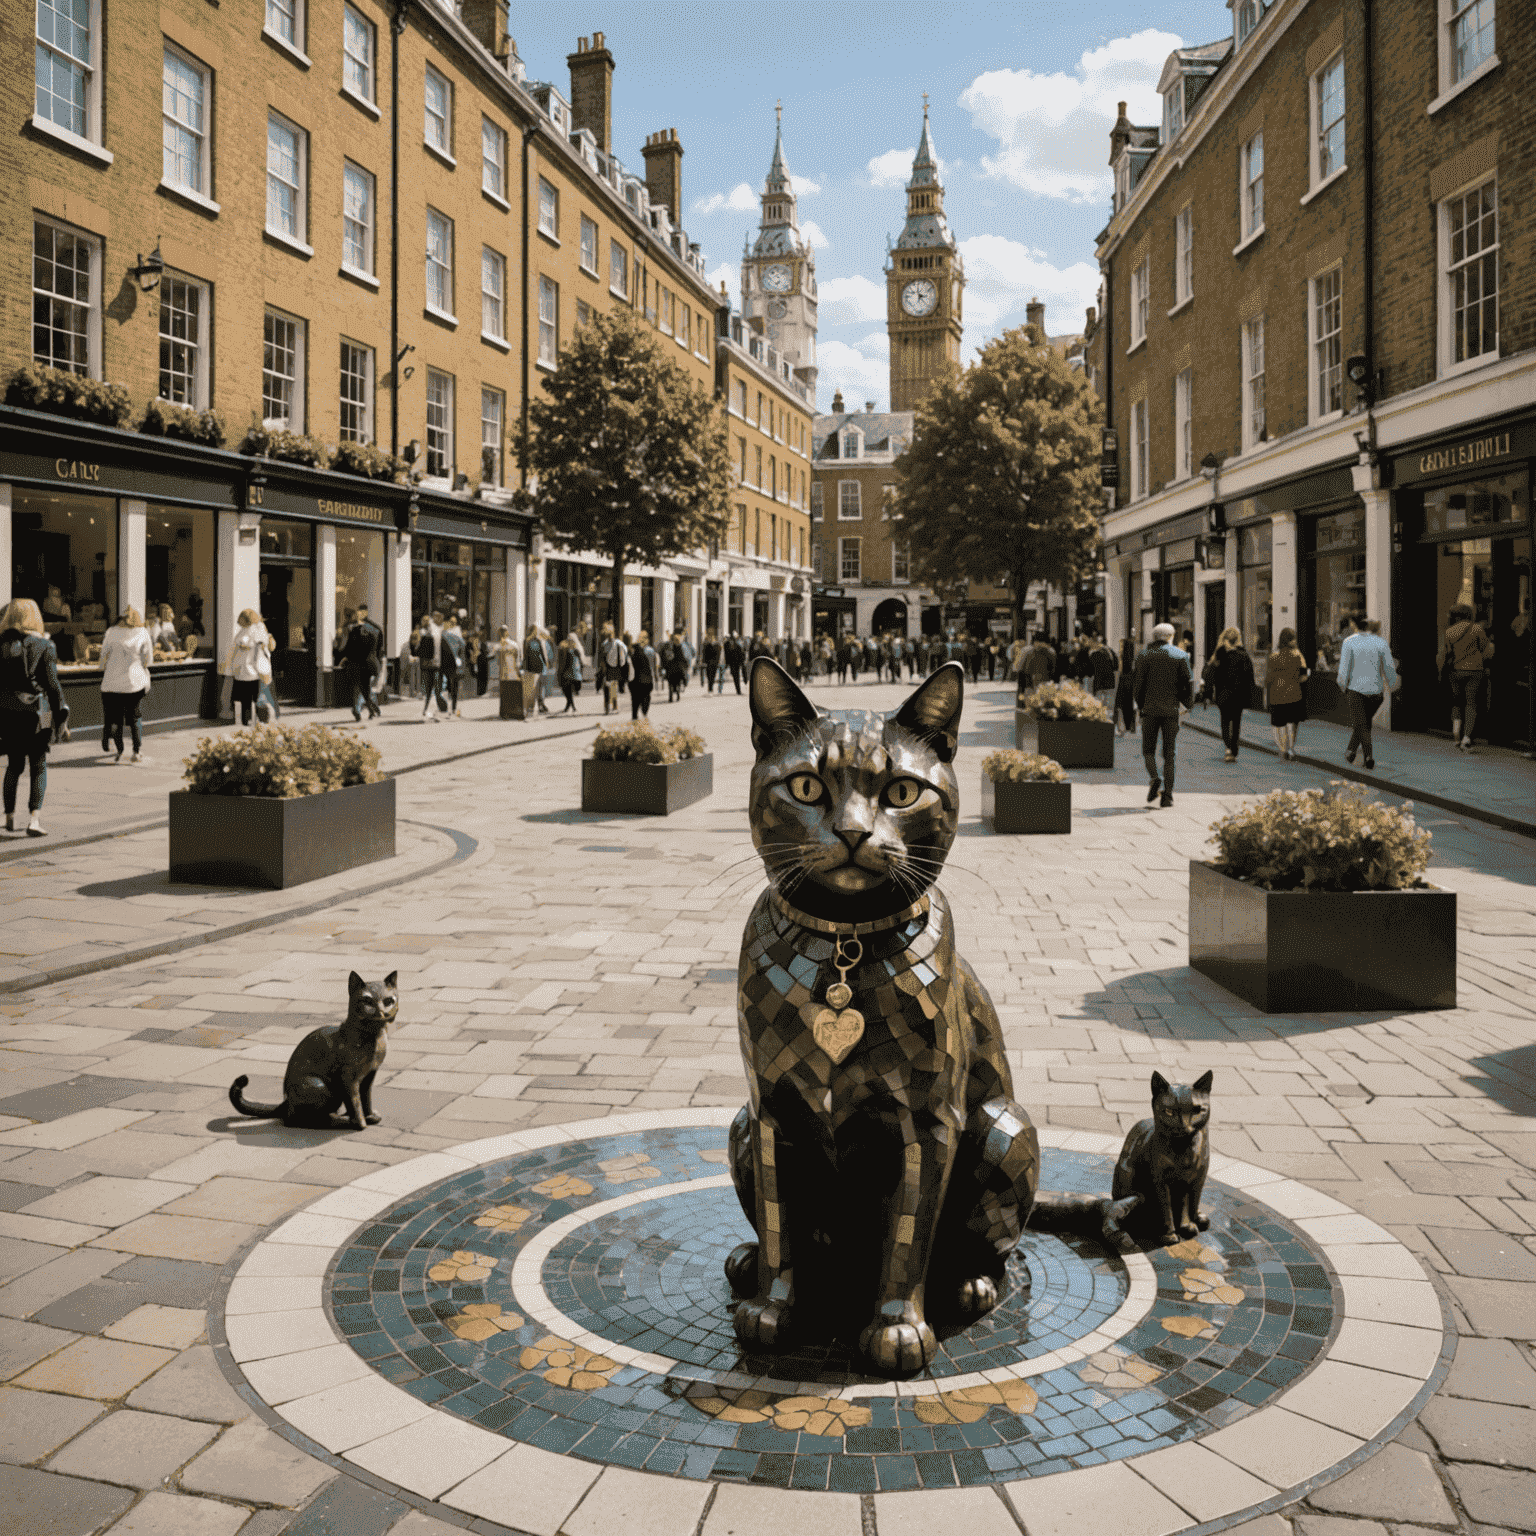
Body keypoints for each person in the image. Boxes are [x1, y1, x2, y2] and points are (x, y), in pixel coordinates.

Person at [0, 599, 67, 837]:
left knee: (14, 765)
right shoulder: (44, 645)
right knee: (39, 765)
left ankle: (8, 816)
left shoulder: (2, 644)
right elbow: (52, 685)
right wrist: (62, 714)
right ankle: (34, 820)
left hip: (8, 713)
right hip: (41, 713)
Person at [1132, 623, 1193, 808]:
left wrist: (1141, 706)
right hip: (1170, 711)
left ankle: (1154, 777)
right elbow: (1187, 684)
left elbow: (1138, 686)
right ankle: (1168, 796)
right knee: (1169, 753)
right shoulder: (1181, 655)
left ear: (1154, 637)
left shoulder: (1144, 655)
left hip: (1150, 710)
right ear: (1171, 636)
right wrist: (1187, 705)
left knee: (1148, 750)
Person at [1337, 617, 1397, 769]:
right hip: (1376, 692)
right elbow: (1389, 667)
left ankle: (1369, 756)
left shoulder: (1349, 642)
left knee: (1361, 724)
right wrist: (1393, 684)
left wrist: (1343, 685)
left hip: (1356, 689)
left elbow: (1344, 669)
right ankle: (1350, 751)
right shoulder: (1381, 643)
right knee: (1364, 723)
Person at [99, 607, 153, 762]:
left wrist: (106, 666)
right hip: (133, 682)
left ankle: (119, 752)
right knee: (135, 716)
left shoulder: (111, 632)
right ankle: (136, 752)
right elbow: (148, 659)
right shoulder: (142, 632)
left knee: (116, 719)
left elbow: (103, 656)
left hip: (111, 683)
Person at [1439, 602, 1493, 752]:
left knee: (1456, 702)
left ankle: (1456, 733)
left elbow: (1445, 652)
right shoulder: (1477, 629)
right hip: (1474, 670)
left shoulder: (1449, 631)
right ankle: (1467, 737)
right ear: (1468, 614)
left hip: (1455, 670)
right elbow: (1486, 648)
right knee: (1471, 703)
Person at [1203, 627, 1255, 763]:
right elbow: (1250, 678)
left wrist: (1207, 695)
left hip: (1223, 694)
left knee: (1226, 721)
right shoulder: (1243, 655)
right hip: (1238, 695)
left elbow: (1210, 677)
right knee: (1236, 722)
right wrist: (1251, 697)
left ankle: (1228, 749)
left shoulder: (1219, 655)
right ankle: (1233, 749)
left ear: (1225, 640)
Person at [1266, 628, 1310, 760]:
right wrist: (1306, 674)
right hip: (1293, 694)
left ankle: (1282, 748)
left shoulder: (1273, 657)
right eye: (1294, 638)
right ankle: (1290, 748)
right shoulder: (1297, 655)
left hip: (1276, 695)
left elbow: (1268, 679)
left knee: (1279, 724)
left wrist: (1265, 696)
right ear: (1291, 640)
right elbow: (1304, 675)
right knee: (1292, 723)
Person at [339, 603, 384, 722]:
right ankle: (371, 709)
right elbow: (380, 648)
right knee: (364, 688)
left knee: (357, 687)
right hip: (371, 664)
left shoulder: (354, 629)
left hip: (358, 663)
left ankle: (357, 710)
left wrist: (345, 658)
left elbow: (350, 648)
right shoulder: (376, 628)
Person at [522, 625, 551, 715]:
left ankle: (536, 706)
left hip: (538, 668)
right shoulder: (529, 641)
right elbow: (525, 655)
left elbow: (543, 655)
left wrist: (546, 664)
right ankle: (533, 707)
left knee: (536, 688)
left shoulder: (537, 641)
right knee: (534, 689)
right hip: (533, 669)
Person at [441, 616, 466, 717]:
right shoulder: (455, 635)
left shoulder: (445, 634)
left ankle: (450, 708)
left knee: (448, 686)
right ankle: (452, 708)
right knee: (452, 686)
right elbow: (462, 647)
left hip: (448, 664)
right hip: (453, 663)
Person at [1087, 636, 1118, 716]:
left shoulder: (1094, 654)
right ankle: (1108, 719)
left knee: (1099, 703)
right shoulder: (1111, 652)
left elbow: (1090, 670)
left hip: (1099, 683)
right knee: (1108, 705)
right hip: (1110, 681)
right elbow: (1116, 666)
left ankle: (1101, 719)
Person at [629, 629, 656, 718]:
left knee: (635, 701)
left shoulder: (633, 655)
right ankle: (644, 714)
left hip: (635, 682)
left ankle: (635, 717)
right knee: (646, 698)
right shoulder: (650, 651)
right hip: (647, 680)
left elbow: (629, 669)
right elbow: (653, 665)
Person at [1113, 638, 1138, 735]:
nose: (1120, 649)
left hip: (1124, 682)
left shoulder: (1124, 658)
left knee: (1119, 705)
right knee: (1128, 705)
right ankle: (1129, 726)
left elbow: (1120, 670)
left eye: (1122, 646)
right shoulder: (1132, 658)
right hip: (1129, 682)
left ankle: (1120, 727)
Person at [602, 629, 629, 713]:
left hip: (611, 668)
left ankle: (611, 707)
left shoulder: (608, 644)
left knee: (611, 687)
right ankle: (612, 707)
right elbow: (625, 654)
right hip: (612, 668)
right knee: (611, 688)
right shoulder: (617, 643)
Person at [556, 631, 584, 713]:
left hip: (575, 674)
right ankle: (571, 706)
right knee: (567, 691)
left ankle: (570, 706)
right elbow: (563, 662)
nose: (568, 641)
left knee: (570, 691)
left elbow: (580, 662)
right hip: (567, 673)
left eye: (570, 639)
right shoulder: (566, 650)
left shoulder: (576, 650)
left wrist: (581, 673)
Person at [701, 630, 721, 694]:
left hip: (712, 663)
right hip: (710, 663)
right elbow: (704, 654)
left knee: (711, 676)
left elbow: (718, 655)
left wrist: (718, 662)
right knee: (710, 676)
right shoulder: (708, 645)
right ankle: (710, 688)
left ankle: (710, 688)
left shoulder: (716, 645)